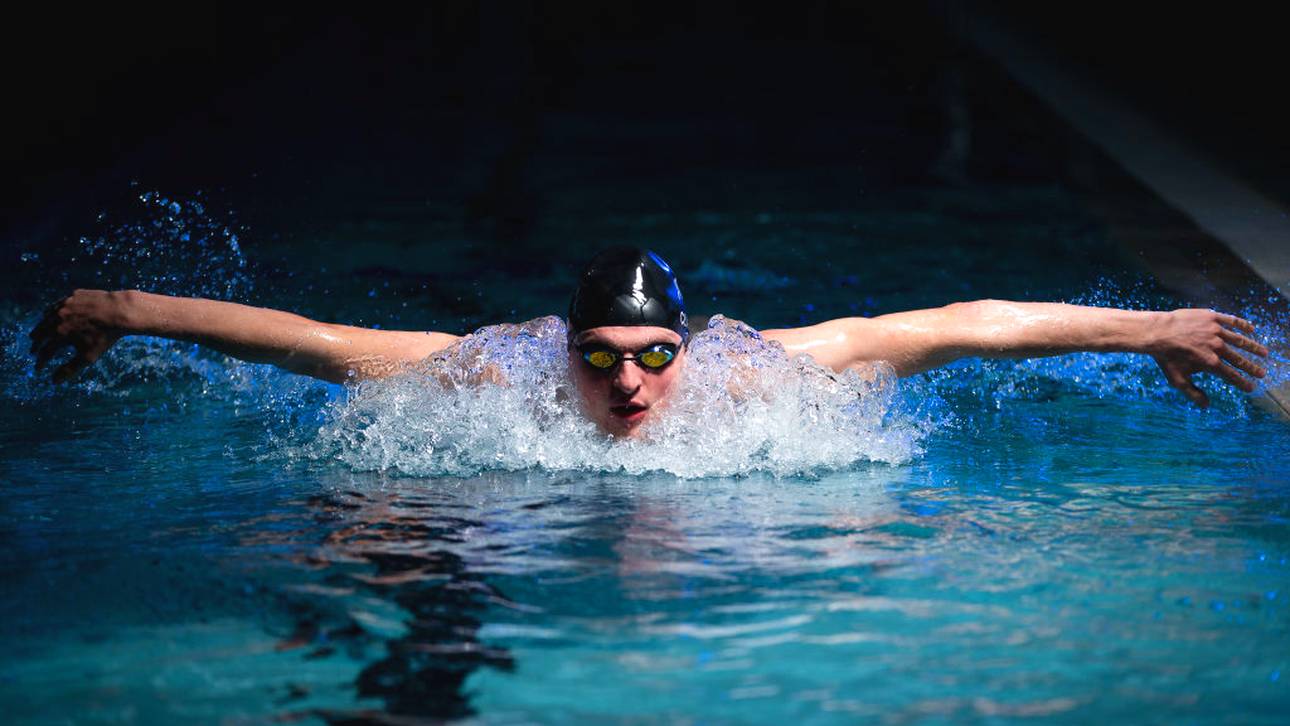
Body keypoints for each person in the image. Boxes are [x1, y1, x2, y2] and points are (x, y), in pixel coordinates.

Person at [28, 247, 1269, 437]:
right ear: (558, 347)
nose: (626, 381)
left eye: (653, 357)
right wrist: (123, 312)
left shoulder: (754, 374)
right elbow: (304, 340)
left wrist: (1156, 322)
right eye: (601, 356)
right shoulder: (492, 373)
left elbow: (955, 329)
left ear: (688, 347)